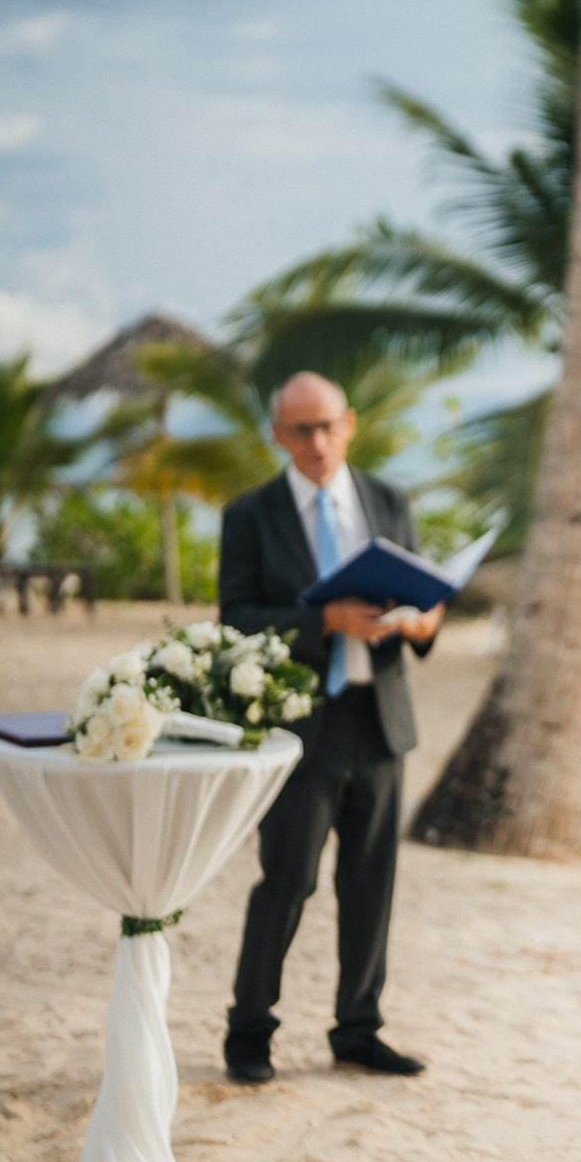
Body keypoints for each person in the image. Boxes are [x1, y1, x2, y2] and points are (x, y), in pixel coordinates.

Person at [218, 371, 443, 1085]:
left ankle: (357, 1029)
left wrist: (427, 618)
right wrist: (324, 622)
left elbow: (419, 603)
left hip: (381, 720)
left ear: (349, 423)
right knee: (285, 880)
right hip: (300, 723)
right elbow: (236, 619)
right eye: (300, 430)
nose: (317, 442)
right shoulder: (249, 514)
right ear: (277, 436)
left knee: (371, 884)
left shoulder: (388, 499)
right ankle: (249, 1032)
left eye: (327, 426)